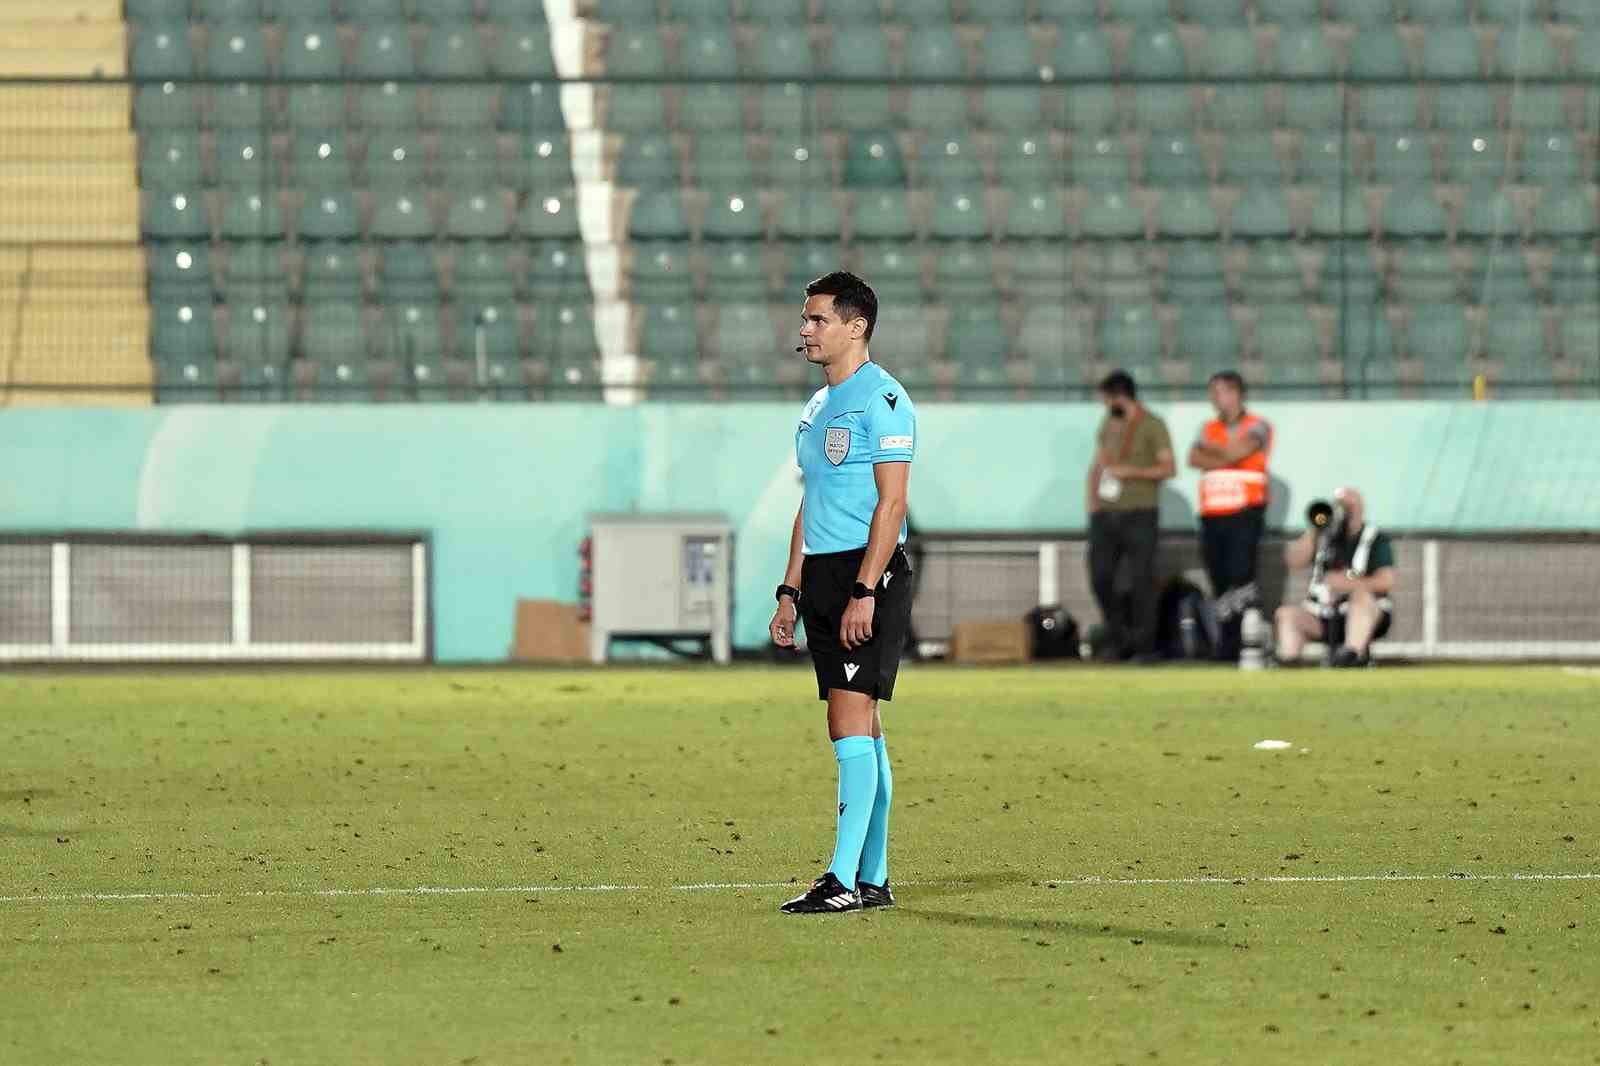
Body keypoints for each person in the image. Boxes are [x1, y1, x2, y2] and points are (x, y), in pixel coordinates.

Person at [768, 271, 916, 915]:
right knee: (866, 728)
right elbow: (813, 502)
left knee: (847, 721)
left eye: (817, 319)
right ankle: (873, 875)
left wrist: (865, 590)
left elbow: (893, 503)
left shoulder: (883, 400)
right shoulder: (815, 407)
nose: (805, 330)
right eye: (805, 319)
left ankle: (843, 879)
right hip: (825, 575)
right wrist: (790, 590)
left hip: (867, 573)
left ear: (856, 327)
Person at [1084, 370, 1175, 662]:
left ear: (1121, 397)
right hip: (1106, 514)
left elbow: (1167, 469)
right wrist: (1092, 499)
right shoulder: (1108, 424)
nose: (1105, 405)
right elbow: (1099, 462)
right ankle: (1119, 635)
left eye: (1107, 399)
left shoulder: (1153, 425)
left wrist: (1131, 472)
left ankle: (1144, 644)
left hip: (1140, 512)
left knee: (1141, 580)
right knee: (1100, 575)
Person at [1186, 370, 1272, 661]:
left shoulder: (1258, 425)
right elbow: (1193, 458)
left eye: (1219, 391)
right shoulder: (1206, 427)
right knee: (1219, 579)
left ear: (1236, 393)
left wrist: (1217, 453)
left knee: (1242, 578)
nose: (1214, 398)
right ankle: (1226, 642)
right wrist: (1223, 453)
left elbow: (1236, 453)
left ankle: (1247, 639)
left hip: (1245, 511)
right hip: (1213, 514)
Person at [1275, 486, 1397, 668]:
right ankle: (1289, 662)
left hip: (1362, 614)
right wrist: (1315, 529)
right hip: (1323, 614)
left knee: (1361, 598)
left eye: (1348, 506)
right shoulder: (1325, 536)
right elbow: (1294, 561)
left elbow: (1387, 581)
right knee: (1287, 614)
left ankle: (1351, 656)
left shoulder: (1374, 538)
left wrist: (1349, 584)